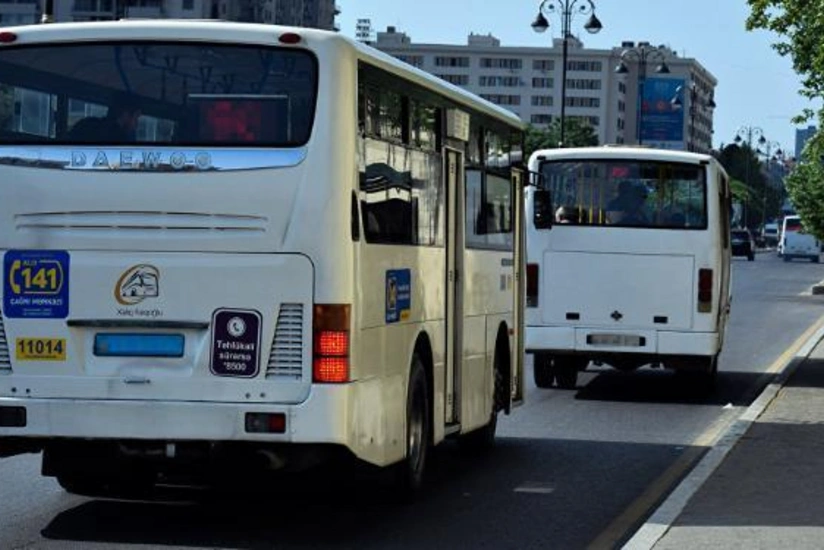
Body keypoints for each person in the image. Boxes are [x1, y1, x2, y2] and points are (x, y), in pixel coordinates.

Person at [67, 97, 142, 143]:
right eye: (136, 117)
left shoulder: (86, 123)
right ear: (125, 115)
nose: (136, 124)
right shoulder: (119, 138)